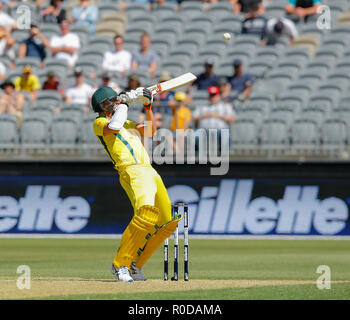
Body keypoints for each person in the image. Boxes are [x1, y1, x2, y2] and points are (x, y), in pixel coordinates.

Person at [91, 86, 182, 282]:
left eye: (118, 100)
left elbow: (150, 130)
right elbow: (114, 126)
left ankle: (134, 265)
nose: (117, 102)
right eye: (113, 100)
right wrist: (124, 103)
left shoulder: (125, 122)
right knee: (145, 214)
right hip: (131, 170)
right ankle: (119, 264)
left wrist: (148, 107)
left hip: (149, 169)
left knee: (167, 222)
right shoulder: (100, 123)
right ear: (105, 105)